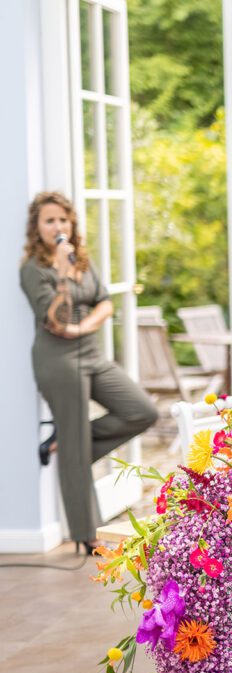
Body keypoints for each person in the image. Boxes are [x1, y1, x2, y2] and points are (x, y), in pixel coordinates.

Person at [19, 191, 158, 553]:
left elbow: (106, 303)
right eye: (50, 220)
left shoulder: (81, 258)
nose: (58, 226)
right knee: (76, 445)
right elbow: (57, 319)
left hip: (90, 351)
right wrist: (63, 276)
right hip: (57, 360)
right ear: (37, 227)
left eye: (63, 220)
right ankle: (88, 534)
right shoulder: (33, 269)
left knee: (142, 410)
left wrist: (83, 329)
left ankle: (67, 446)